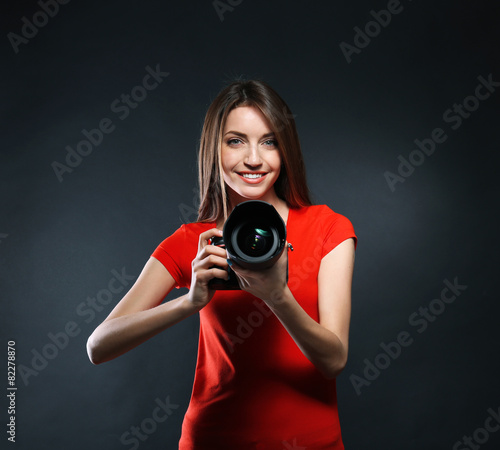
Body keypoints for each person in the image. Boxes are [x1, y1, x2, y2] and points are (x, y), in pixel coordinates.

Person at [87, 79, 357, 449]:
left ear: (286, 149)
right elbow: (98, 346)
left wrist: (277, 296)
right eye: (235, 141)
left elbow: (334, 359)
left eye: (269, 141)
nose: (253, 159)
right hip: (214, 438)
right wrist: (190, 302)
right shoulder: (196, 242)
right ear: (213, 149)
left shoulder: (329, 228)